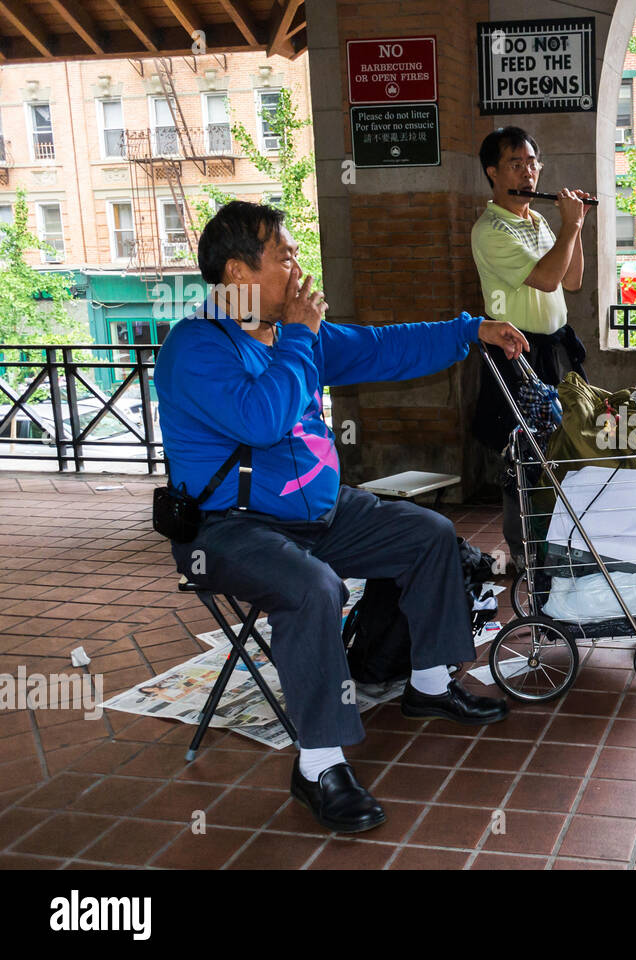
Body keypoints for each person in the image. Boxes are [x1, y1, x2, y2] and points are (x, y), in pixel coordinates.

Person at [155, 201, 530, 833]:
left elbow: (384, 348)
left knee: (430, 535)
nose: (300, 270)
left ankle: (430, 685)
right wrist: (301, 336)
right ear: (240, 274)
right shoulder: (193, 348)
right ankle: (318, 766)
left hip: (320, 512)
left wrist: (471, 331)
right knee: (311, 589)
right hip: (229, 528)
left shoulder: (295, 336)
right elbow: (262, 420)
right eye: (286, 257)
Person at [470, 126, 592, 570]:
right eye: (516, 164)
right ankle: (525, 557)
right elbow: (545, 278)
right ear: (493, 172)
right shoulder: (489, 230)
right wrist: (572, 224)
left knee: (560, 447)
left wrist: (570, 228)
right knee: (522, 453)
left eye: (532, 163)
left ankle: (558, 546)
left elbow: (572, 280)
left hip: (555, 350)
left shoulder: (537, 220)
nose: (528, 173)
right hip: (517, 354)